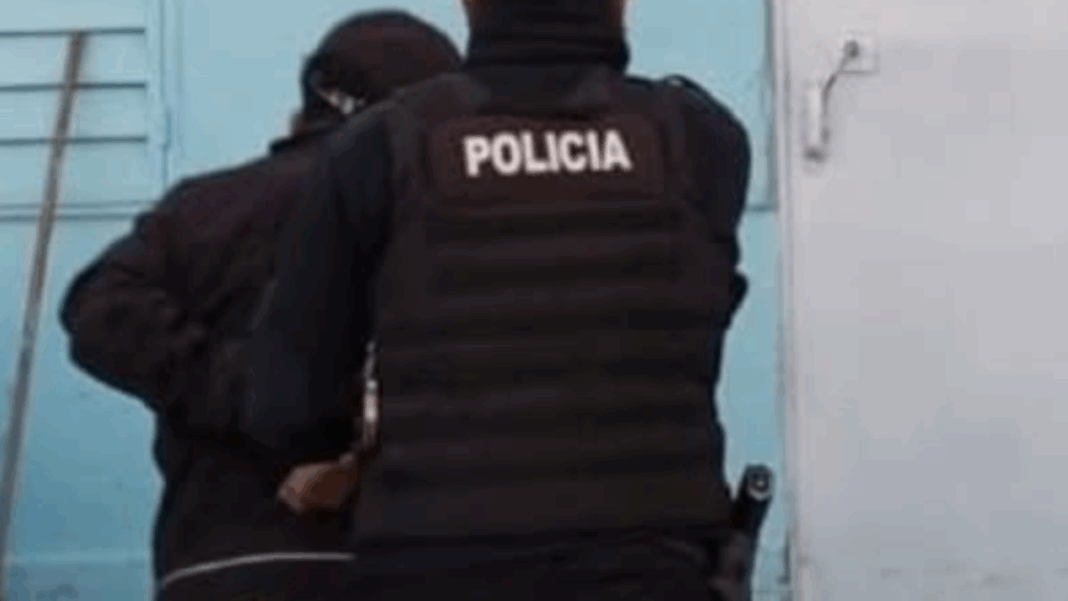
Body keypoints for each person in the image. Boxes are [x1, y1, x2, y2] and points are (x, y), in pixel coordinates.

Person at [242, 0, 761, 599]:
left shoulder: (377, 148)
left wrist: (352, 447)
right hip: (654, 564)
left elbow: (286, 407)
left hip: (433, 565)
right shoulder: (702, 140)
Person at [58, 11, 461, 601]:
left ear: (307, 106)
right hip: (411, 559)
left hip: (224, 560)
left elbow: (97, 312)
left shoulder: (203, 210)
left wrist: (237, 391)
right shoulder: (451, 226)